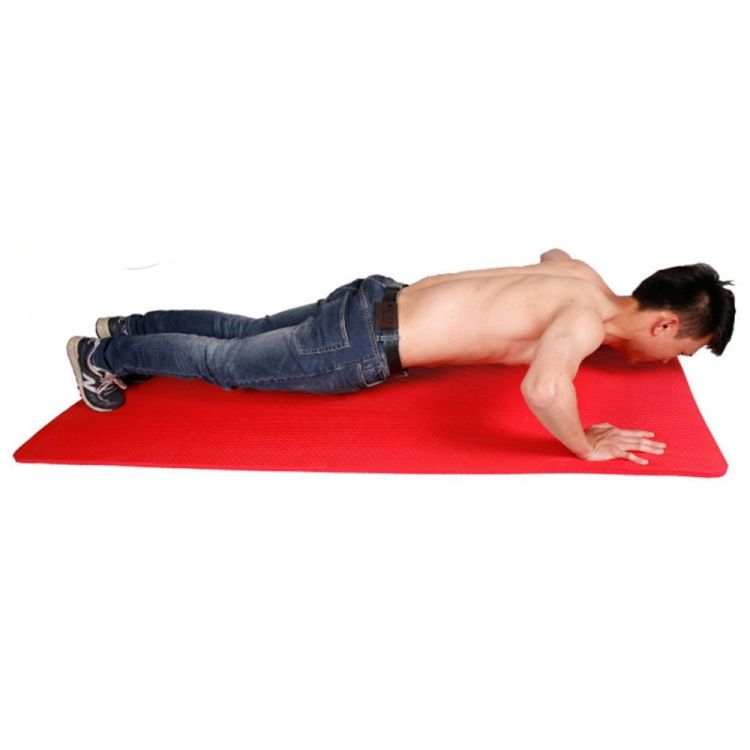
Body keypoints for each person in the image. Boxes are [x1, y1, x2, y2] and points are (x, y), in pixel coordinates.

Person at [66, 249, 735, 465]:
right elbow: (545, 390)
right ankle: (102, 353)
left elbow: (550, 252)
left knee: (249, 329)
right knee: (229, 365)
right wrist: (585, 445)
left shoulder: (581, 277)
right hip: (358, 345)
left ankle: (128, 325)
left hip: (376, 296)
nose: (670, 360)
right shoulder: (582, 322)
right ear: (665, 324)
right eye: (683, 348)